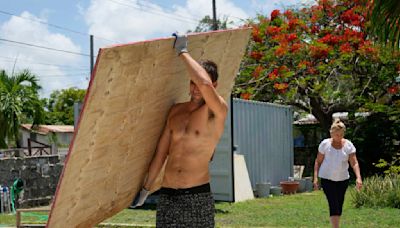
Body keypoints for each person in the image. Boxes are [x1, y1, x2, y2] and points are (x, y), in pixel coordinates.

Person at [131, 33, 228, 228]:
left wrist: (182, 51)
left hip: (196, 195)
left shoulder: (216, 111)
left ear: (214, 86)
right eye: (192, 83)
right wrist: (145, 190)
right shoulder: (176, 111)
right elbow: (161, 153)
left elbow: (204, 83)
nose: (196, 89)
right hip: (167, 196)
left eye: (198, 83)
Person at [313, 119, 363, 228]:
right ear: (331, 133)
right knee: (333, 204)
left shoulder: (348, 145)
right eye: (336, 134)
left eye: (341, 134)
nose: (338, 136)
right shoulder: (325, 144)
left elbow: (354, 163)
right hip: (327, 179)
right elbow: (318, 161)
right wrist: (315, 178)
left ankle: (335, 225)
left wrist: (358, 178)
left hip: (343, 179)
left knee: (339, 205)